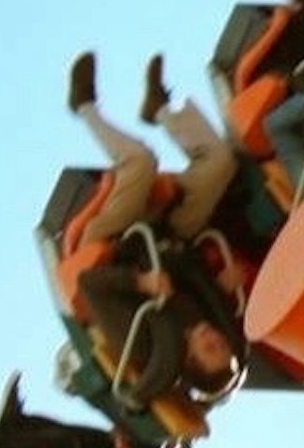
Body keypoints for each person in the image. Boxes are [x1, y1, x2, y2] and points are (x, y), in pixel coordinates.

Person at [54, 53, 248, 425]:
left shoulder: (146, 342)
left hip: (113, 244)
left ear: (191, 360)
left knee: (141, 162)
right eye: (222, 344)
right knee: (221, 163)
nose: (215, 337)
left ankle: (84, 105)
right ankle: (159, 109)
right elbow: (191, 271)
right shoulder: (213, 317)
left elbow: (91, 285)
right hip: (165, 238)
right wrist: (222, 284)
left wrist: (140, 282)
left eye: (211, 348)